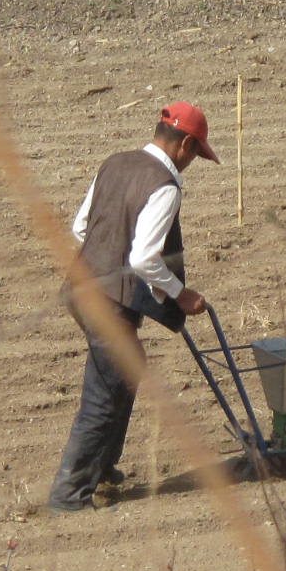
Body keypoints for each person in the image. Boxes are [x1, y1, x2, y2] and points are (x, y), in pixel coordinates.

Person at [48, 101, 217, 512]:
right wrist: (180, 293)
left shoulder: (116, 162)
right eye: (197, 153)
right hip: (108, 304)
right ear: (187, 144)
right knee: (104, 394)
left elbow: (80, 227)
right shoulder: (164, 185)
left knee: (125, 372)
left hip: (79, 289)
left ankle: (103, 468)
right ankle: (68, 496)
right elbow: (144, 259)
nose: (193, 161)